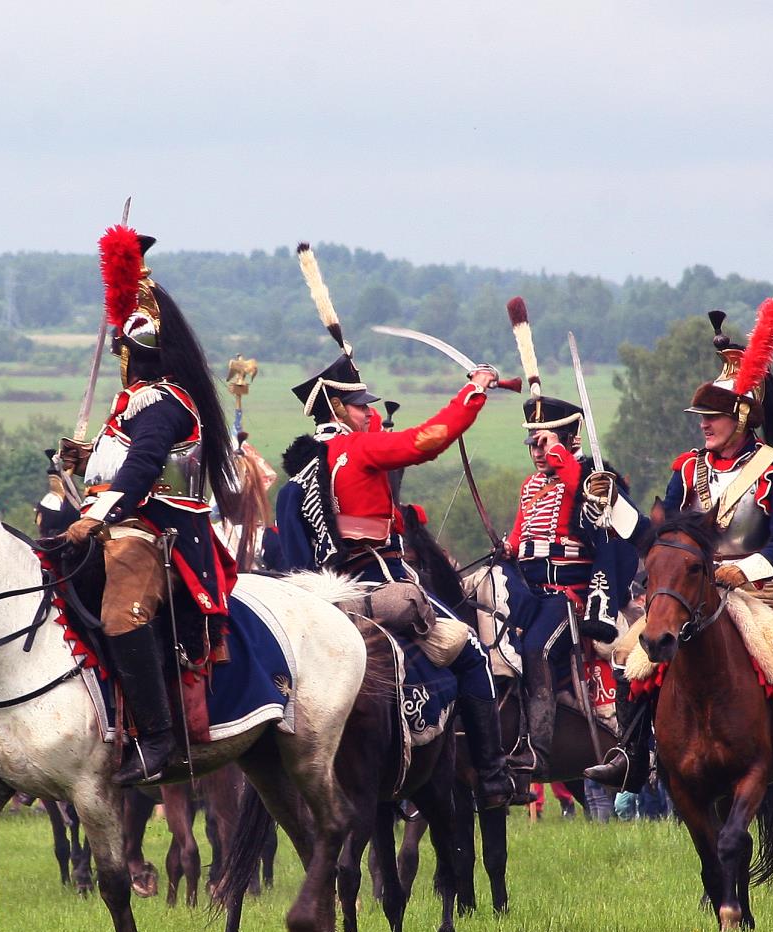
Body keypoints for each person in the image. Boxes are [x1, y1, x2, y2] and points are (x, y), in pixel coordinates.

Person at [270, 243, 513, 810]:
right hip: (376, 578)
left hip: (325, 590)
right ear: (335, 408)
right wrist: (473, 392)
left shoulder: (310, 467)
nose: (369, 412)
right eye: (359, 406)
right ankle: (495, 776)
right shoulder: (357, 452)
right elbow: (425, 440)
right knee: (472, 650)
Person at [585, 299, 773, 794]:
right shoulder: (686, 469)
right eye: (701, 416)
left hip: (762, 586)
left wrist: (745, 571)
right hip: (692, 586)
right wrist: (613, 504)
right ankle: (631, 753)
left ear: (741, 417)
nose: (703, 424)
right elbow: (662, 538)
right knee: (628, 655)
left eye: (712, 416)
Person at [57, 226, 243, 788]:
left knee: (120, 613)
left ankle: (158, 734)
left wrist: (98, 515)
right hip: (116, 524)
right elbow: (120, 462)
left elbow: (142, 473)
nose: (119, 357)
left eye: (123, 349)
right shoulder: (133, 406)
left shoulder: (163, 403)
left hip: (154, 531)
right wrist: (84, 458)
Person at [500, 375, 636, 785]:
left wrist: (564, 460)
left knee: (537, 648)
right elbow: (523, 534)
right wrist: (509, 549)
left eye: (545, 444)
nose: (538, 454)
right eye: (534, 445)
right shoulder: (531, 487)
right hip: (526, 591)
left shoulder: (594, 476)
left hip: (569, 595)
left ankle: (537, 751)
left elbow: (608, 521)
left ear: (568, 438)